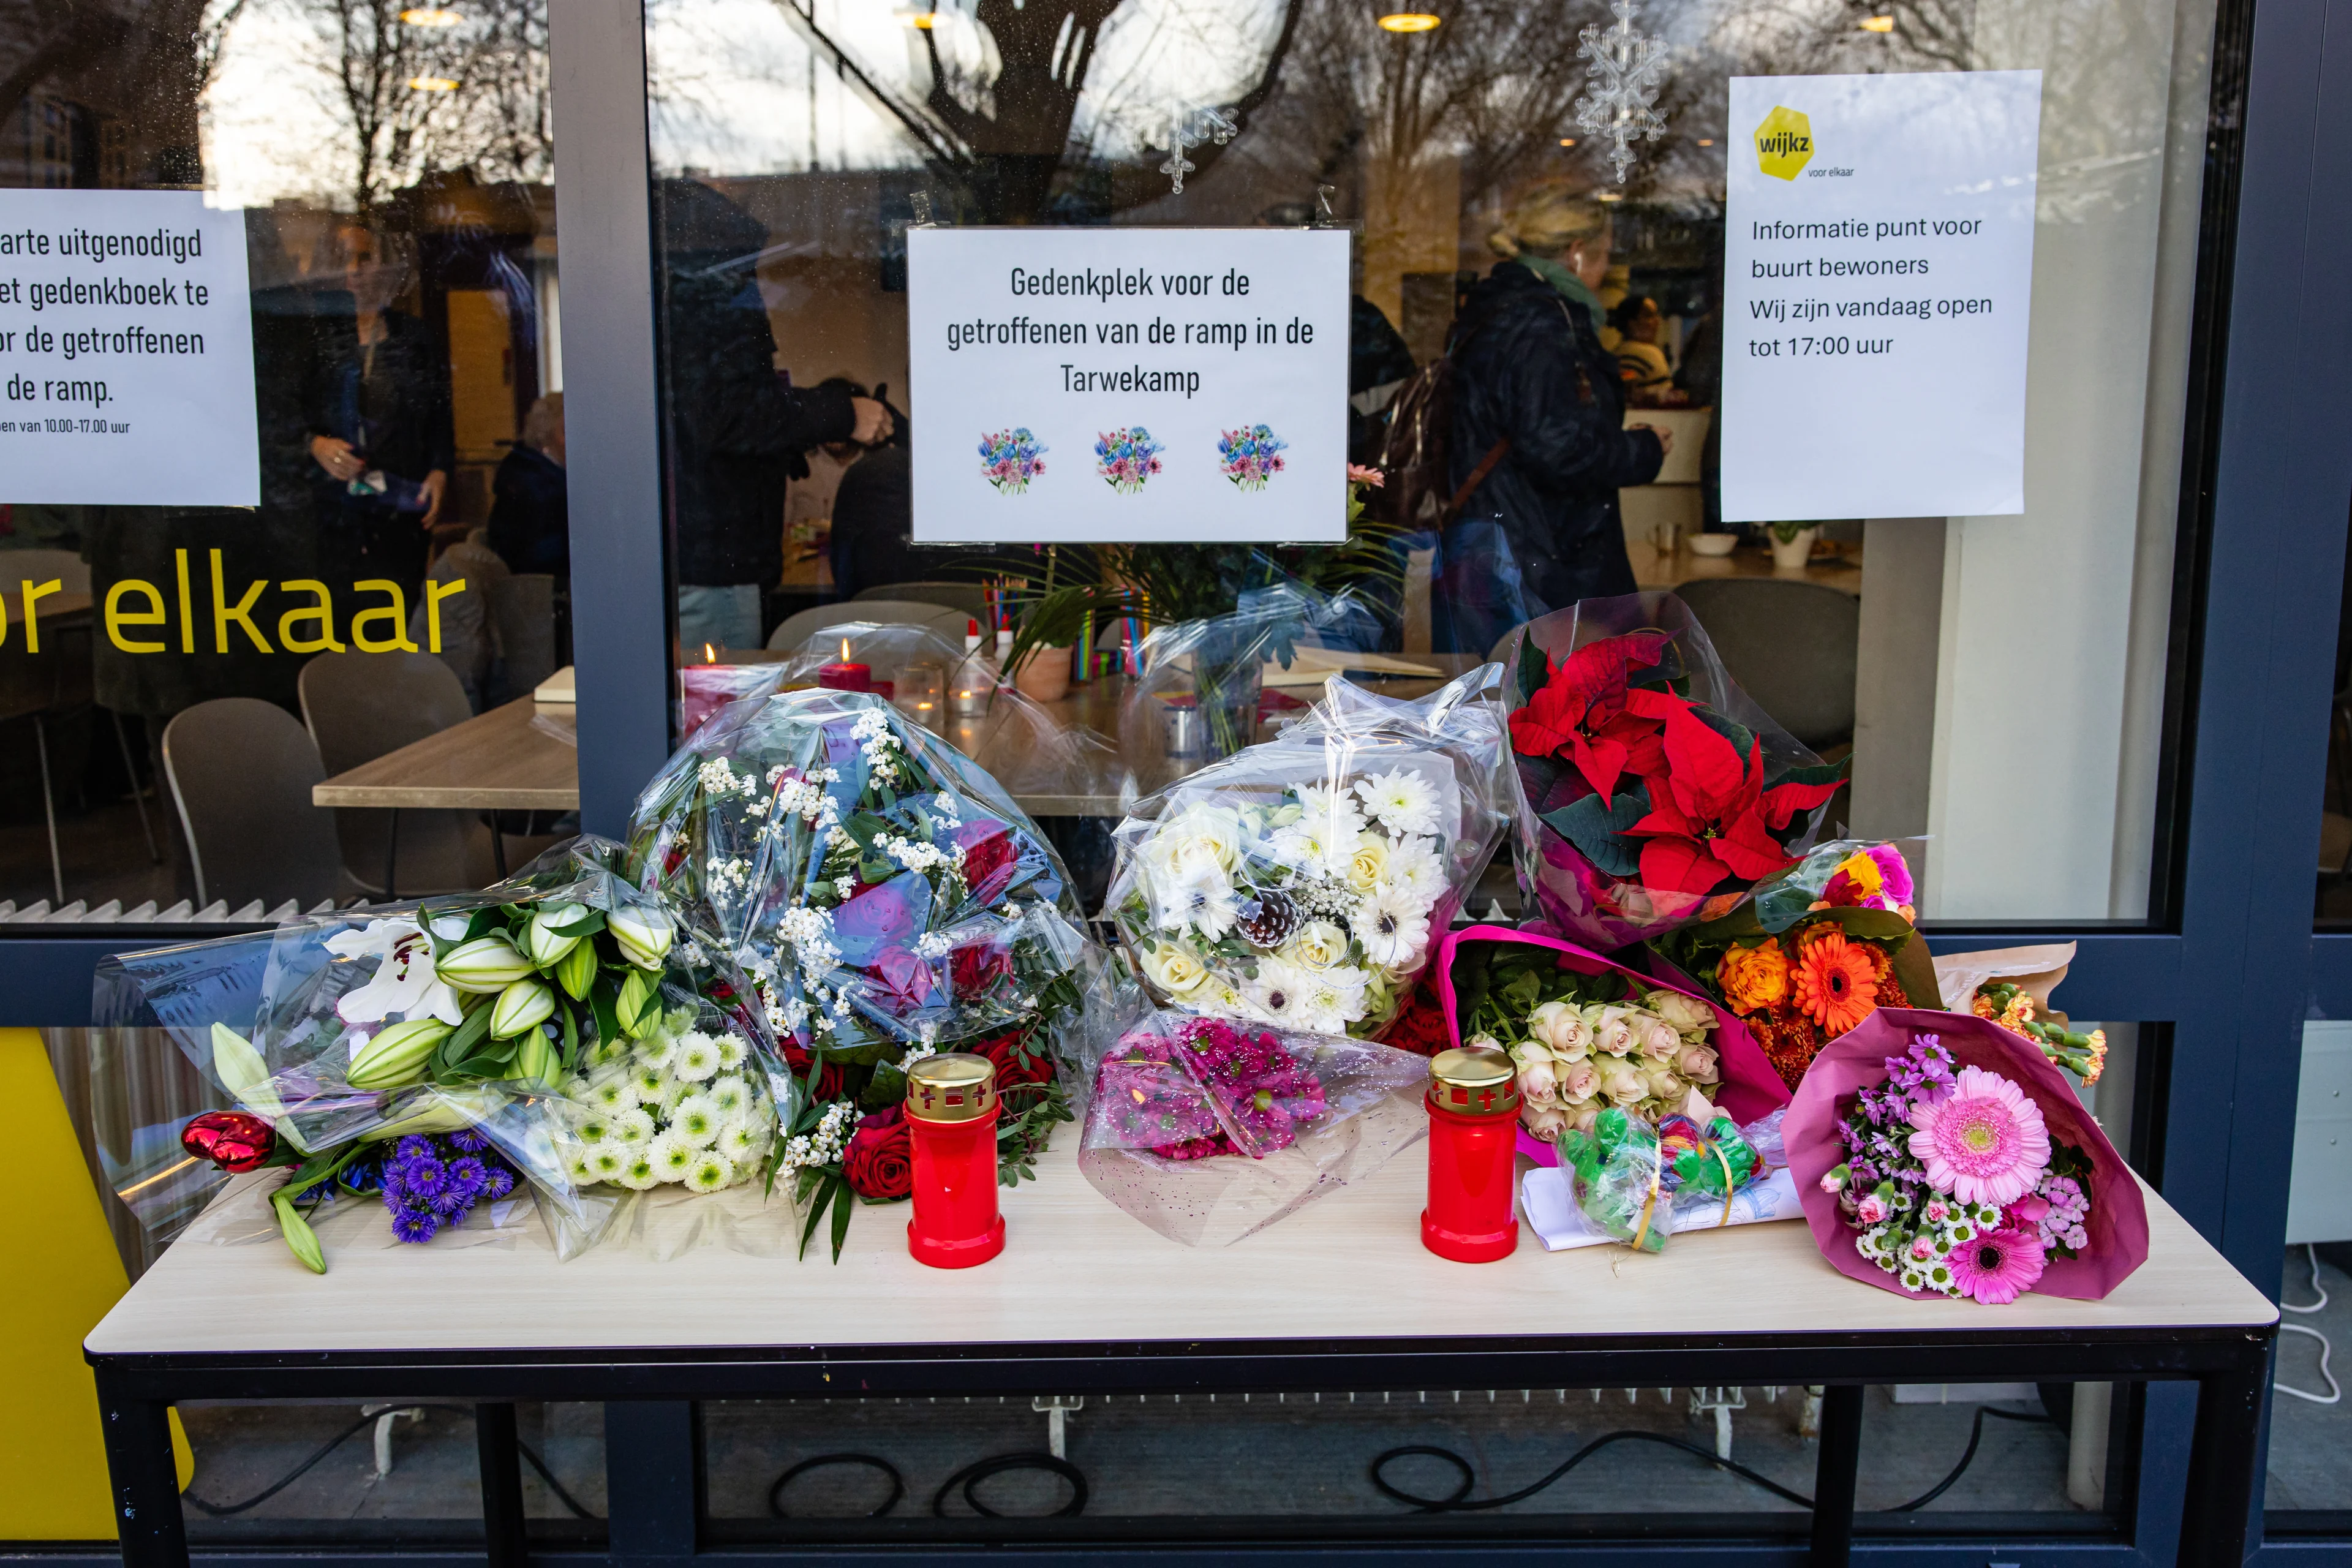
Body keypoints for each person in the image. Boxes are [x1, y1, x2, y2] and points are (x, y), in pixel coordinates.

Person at [658, 180, 892, 652]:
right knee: (719, 699)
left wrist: (782, 442)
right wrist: (841, 413)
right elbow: (725, 412)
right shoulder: (708, 281)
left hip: (697, 553)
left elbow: (709, 410)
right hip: (713, 562)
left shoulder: (674, 277)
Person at [1438, 186, 1672, 643]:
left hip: (1499, 542)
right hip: (1540, 555)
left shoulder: (1497, 307)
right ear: (1577, 253)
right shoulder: (1542, 322)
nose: (1607, 273)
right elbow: (1554, 445)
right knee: (1550, 683)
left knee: (1503, 682)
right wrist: (1643, 449)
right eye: (1606, 257)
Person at [304, 220, 453, 614]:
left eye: (365, 257)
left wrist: (440, 470)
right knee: (338, 622)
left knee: (398, 619)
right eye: (343, 258)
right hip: (333, 510)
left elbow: (439, 414)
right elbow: (280, 418)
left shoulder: (414, 338)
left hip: (398, 505)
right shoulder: (312, 339)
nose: (354, 269)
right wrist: (315, 445)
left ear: (383, 266)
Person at [488, 392, 570, 579]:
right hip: (535, 583)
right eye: (566, 432)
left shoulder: (539, 470)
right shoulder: (533, 479)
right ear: (546, 437)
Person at [1610, 294, 1684, 407]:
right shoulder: (1640, 353)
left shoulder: (1618, 352)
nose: (1657, 321)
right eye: (1649, 316)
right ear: (1632, 323)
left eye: (1656, 315)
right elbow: (1627, 381)